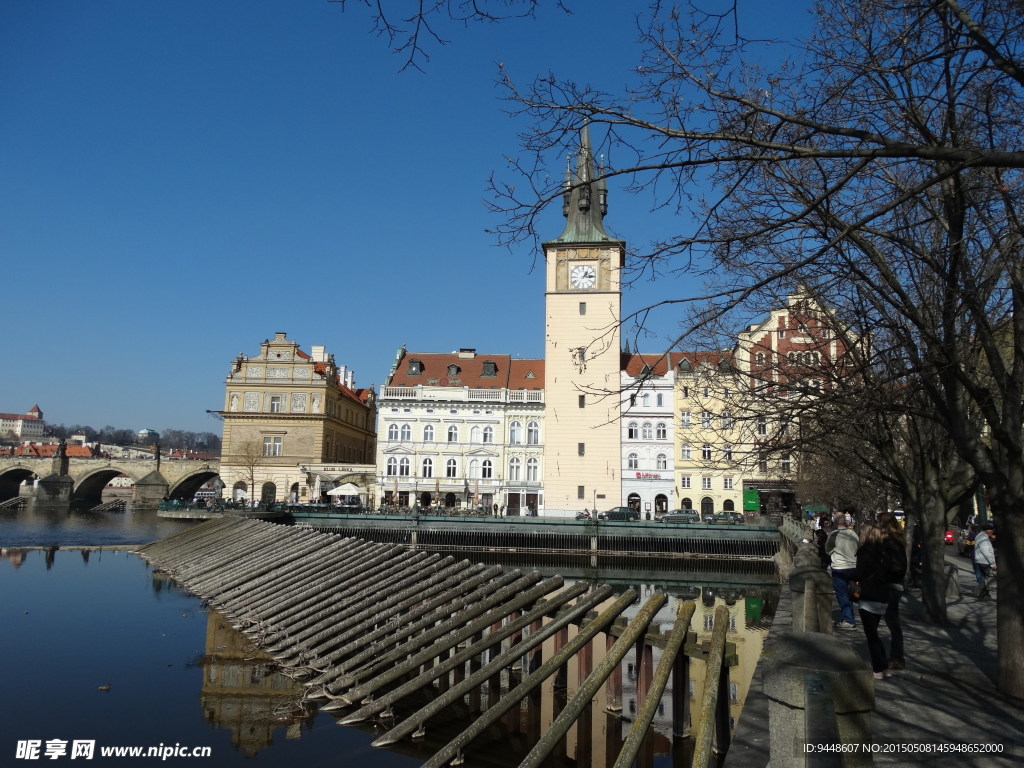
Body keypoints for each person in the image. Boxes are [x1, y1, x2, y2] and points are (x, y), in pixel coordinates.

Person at [855, 520, 906, 679]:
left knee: (871, 635)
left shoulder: (866, 551)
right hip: (882, 595)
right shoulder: (883, 550)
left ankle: (878, 669)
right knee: (874, 633)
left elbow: (859, 573)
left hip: (869, 595)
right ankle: (883, 666)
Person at [876, 512, 907, 670]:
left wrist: (883, 575)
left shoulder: (892, 543)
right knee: (891, 621)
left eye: (879, 523)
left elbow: (898, 567)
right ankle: (896, 656)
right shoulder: (893, 541)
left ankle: (897, 657)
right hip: (891, 584)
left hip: (891, 585)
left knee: (893, 622)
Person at [825, 513, 859, 630]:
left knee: (842, 594)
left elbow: (827, 549)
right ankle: (850, 616)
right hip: (853, 566)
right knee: (851, 593)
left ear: (835, 522)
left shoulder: (834, 534)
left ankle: (848, 620)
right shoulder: (853, 534)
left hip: (839, 567)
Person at [973, 521, 997, 599]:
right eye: (992, 531)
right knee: (989, 578)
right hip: (984, 561)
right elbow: (986, 551)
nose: (992, 533)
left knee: (982, 578)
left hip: (979, 560)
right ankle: (981, 592)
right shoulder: (983, 538)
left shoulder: (981, 536)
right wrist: (993, 564)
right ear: (988, 531)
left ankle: (983, 594)